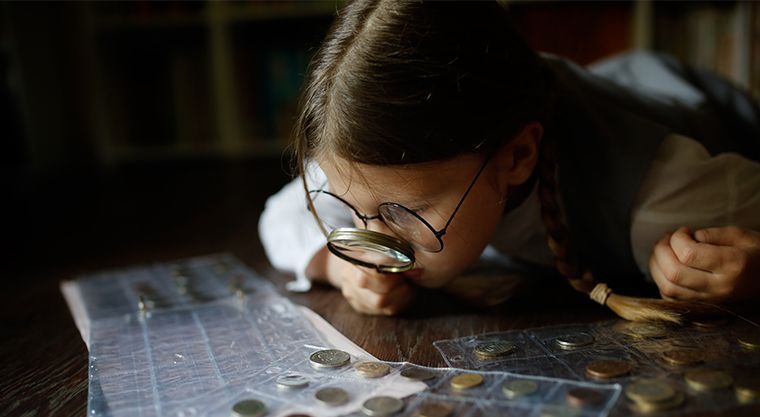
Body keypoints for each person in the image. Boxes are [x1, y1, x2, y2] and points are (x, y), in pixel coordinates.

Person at [259, 0, 760, 319]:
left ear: (518, 155)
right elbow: (280, 216)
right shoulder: (378, 158)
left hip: (688, 101)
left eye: (402, 212)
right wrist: (338, 268)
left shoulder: (668, 196)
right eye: (352, 207)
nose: (376, 248)